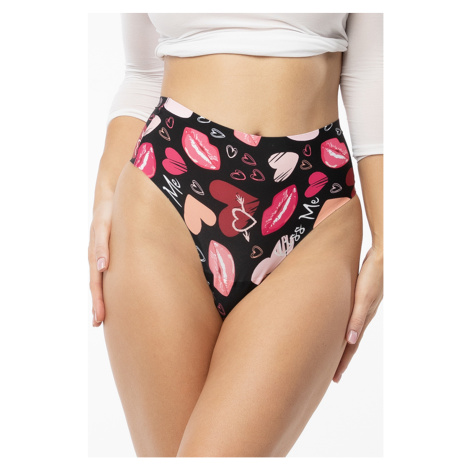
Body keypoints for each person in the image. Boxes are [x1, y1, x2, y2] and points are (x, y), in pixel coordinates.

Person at [88, 12, 383, 457]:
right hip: (167, 191)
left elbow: (371, 74)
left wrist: (387, 242)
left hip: (315, 205)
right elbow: (143, 73)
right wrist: (105, 193)